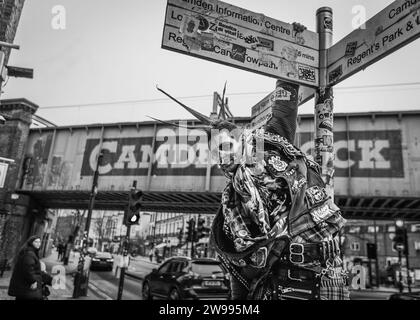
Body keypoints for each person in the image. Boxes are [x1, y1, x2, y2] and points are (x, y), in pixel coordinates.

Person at [157, 82, 349, 300]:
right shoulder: (232, 201)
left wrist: (289, 60)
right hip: (282, 282)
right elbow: (238, 270)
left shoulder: (271, 138)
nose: (225, 154)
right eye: (219, 151)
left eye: (226, 140)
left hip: (328, 272)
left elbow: (285, 102)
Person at [8, 235, 53, 300]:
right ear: (31, 243)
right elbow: (28, 269)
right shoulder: (29, 254)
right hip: (27, 287)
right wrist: (33, 281)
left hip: (25, 287)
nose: (38, 244)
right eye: (36, 242)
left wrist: (49, 279)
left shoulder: (30, 252)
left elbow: (34, 270)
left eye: (39, 242)